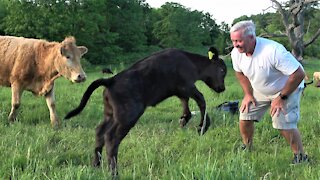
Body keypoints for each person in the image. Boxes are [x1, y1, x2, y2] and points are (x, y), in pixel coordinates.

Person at [230, 20, 308, 164]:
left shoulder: (273, 51)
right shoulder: (236, 53)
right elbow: (239, 73)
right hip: (261, 89)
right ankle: (247, 146)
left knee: (282, 122)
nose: (236, 45)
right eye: (233, 41)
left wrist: (282, 97)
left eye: (239, 41)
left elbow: (298, 74)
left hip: (288, 87)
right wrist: (248, 94)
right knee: (245, 115)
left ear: (251, 37)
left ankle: (300, 157)